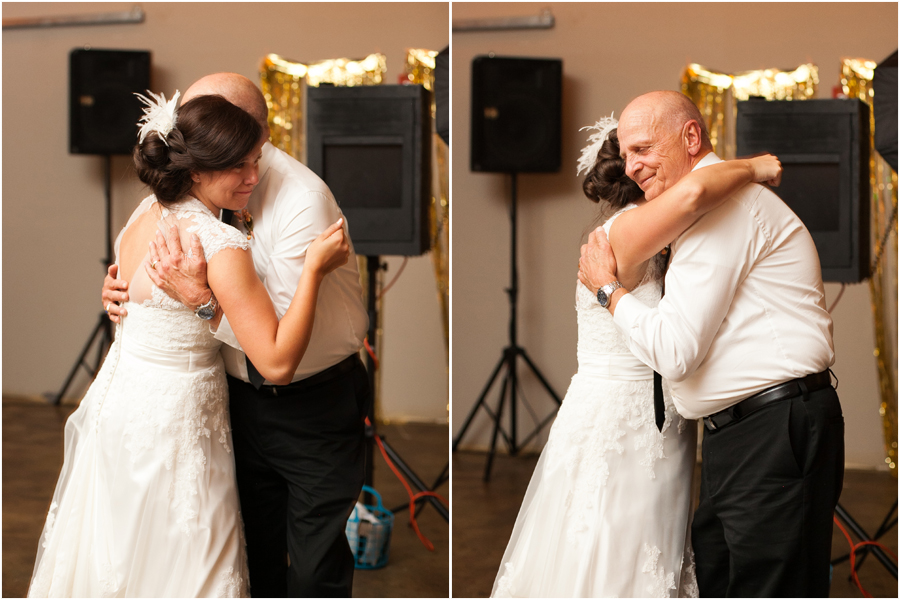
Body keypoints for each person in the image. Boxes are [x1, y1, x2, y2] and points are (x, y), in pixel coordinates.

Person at [29, 93, 350, 597]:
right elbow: (277, 362)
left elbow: (131, 290)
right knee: (185, 558)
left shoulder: (144, 213)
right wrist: (312, 270)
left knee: (119, 547)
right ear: (196, 171)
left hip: (121, 408)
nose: (252, 177)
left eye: (255, 162)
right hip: (179, 421)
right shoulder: (218, 244)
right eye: (236, 166)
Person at [491, 114, 784, 598]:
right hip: (622, 419)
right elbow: (695, 193)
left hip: (659, 418)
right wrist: (753, 167)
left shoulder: (653, 239)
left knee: (650, 549)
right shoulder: (625, 232)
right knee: (612, 548)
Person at [578, 91, 843, 598]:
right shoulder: (692, 211)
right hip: (741, 433)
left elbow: (676, 351)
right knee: (723, 581)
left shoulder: (722, 209)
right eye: (626, 154)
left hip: (773, 430)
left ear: (692, 137)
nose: (632, 166)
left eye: (643, 149)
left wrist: (608, 293)